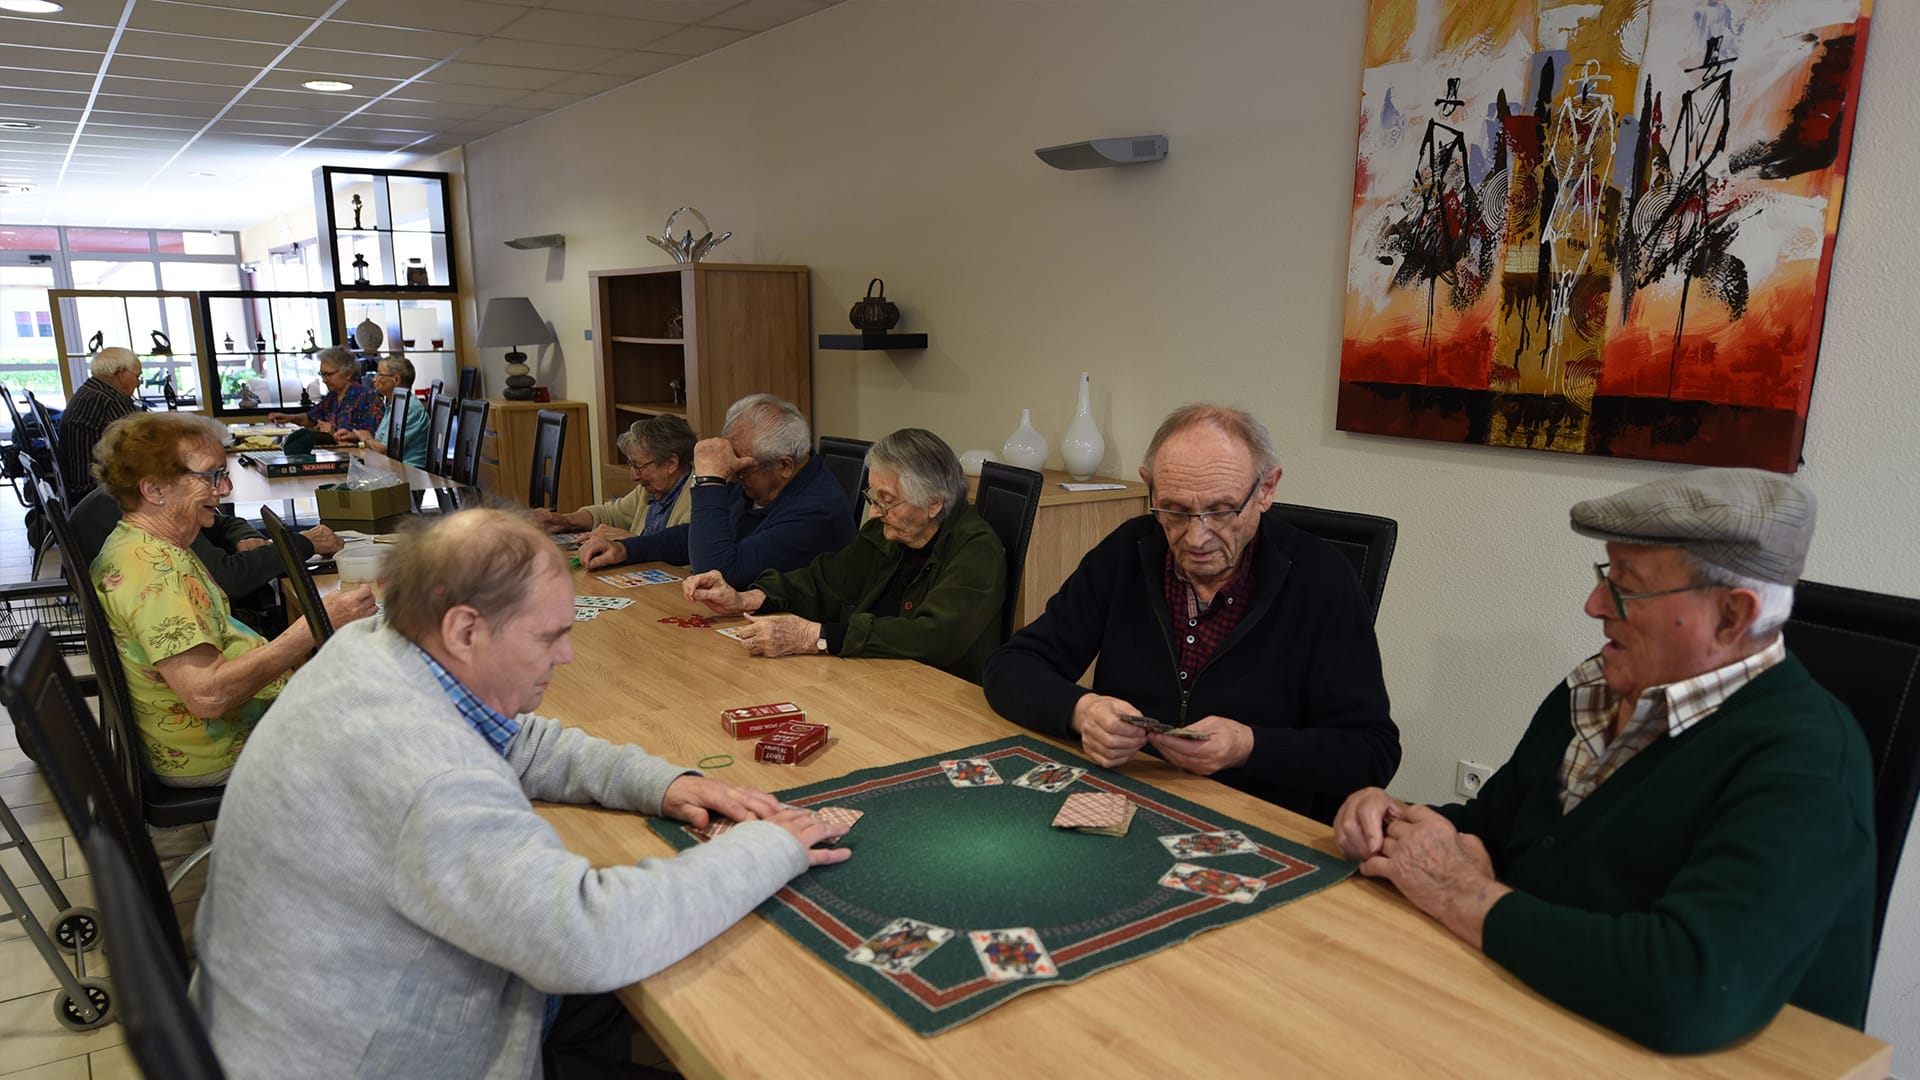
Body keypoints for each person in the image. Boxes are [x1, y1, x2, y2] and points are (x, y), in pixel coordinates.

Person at [193, 509, 852, 1078]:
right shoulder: (429, 773)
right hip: (368, 1059)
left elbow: (515, 738)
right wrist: (771, 847)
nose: (565, 657)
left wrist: (666, 782)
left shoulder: (373, 647)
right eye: (550, 636)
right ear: (465, 629)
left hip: (301, 1022)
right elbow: (586, 937)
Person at [1331, 468, 1874, 1053]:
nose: (1594, 604)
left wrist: (1461, 895)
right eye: (1605, 574)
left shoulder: (1806, 761)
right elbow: (1493, 829)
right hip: (1529, 1014)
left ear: (1732, 616)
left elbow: (1686, 991)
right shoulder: (1596, 687)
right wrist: (1395, 819)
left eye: (1627, 586)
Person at [983, 404, 1398, 821]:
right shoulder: (1129, 551)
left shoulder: (1322, 580)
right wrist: (1081, 711)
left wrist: (1248, 747)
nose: (1196, 537)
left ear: (1267, 489)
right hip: (1126, 799)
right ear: (1150, 489)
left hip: (1258, 820)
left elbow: (1372, 751)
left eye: (1221, 511)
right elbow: (1011, 667)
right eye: (1175, 510)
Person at [88, 413, 375, 786]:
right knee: (388, 718)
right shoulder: (155, 574)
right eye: (211, 477)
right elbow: (208, 696)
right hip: (217, 749)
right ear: (155, 489)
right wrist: (315, 625)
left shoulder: (142, 543)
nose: (224, 490)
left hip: (220, 731)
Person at [684, 428, 1007, 681]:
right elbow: (824, 581)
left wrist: (817, 637)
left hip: (935, 695)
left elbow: (934, 637)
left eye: (887, 500)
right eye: (873, 497)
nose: (876, 513)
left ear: (934, 503)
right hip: (869, 678)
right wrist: (747, 598)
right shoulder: (887, 534)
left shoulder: (976, 550)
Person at [578, 394, 853, 583]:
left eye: (742, 469)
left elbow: (716, 572)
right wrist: (627, 550)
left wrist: (710, 480)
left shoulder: (817, 513)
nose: (732, 477)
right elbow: (693, 536)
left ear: (784, 465)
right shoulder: (755, 483)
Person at [68, 482, 344, 635]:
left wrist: (241, 534)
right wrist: (305, 543)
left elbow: (221, 522)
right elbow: (228, 579)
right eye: (210, 474)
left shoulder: (132, 494)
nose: (224, 487)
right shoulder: (152, 521)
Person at [536, 415, 695, 558]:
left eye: (639, 467)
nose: (634, 476)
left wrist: (631, 544)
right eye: (631, 465)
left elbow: (684, 550)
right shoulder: (650, 490)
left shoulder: (699, 498)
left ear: (671, 463)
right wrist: (565, 521)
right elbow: (612, 513)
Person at [57, 345, 143, 499]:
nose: (138, 383)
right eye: (137, 376)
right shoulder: (110, 400)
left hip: (78, 483)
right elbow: (139, 446)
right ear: (122, 373)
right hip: (94, 491)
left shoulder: (89, 391)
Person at [338, 354, 430, 467]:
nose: (374, 379)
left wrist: (365, 439)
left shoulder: (408, 408)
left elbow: (382, 449)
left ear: (396, 379)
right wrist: (357, 436)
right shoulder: (393, 403)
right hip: (392, 466)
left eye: (379, 374)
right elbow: (381, 441)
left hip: (409, 470)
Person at [267, 346, 382, 436]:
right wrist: (288, 418)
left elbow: (372, 436)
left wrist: (334, 431)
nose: (324, 380)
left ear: (348, 374)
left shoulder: (367, 398)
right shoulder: (332, 397)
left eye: (328, 375)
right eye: (322, 374)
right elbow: (311, 418)